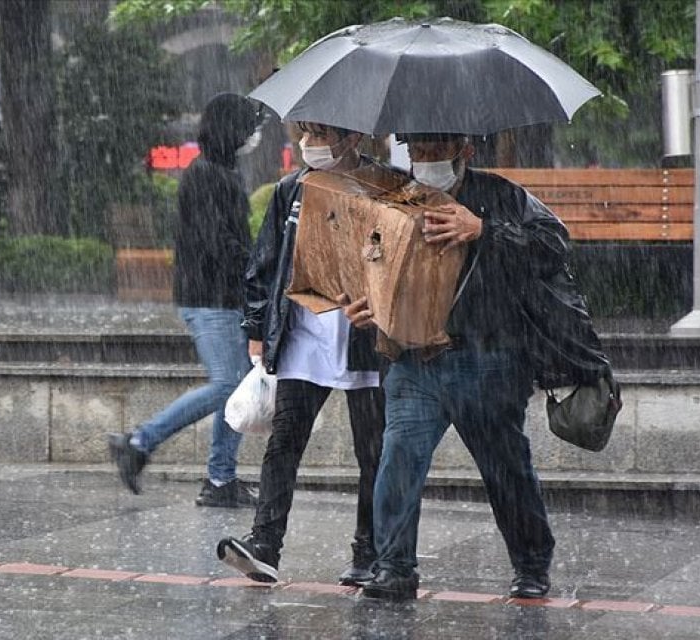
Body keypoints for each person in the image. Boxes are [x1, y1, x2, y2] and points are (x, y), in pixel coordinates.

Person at [346, 131, 564, 601]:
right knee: (398, 459)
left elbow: (553, 246)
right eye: (416, 150)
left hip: (485, 354)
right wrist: (364, 306)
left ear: (464, 149)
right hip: (411, 357)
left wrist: (484, 229)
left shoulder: (501, 195)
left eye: (435, 149)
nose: (424, 160)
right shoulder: (393, 199)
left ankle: (530, 562)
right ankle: (394, 566)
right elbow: (365, 263)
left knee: (504, 464)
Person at [216, 121, 399, 584]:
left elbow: (401, 260)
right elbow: (265, 262)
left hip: (364, 338)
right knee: (284, 443)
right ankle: (264, 544)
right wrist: (257, 328)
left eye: (321, 136)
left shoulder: (386, 188)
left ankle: (368, 551)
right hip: (303, 335)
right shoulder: (289, 191)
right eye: (307, 135)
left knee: (372, 451)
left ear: (352, 139)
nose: (309, 146)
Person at [107, 93, 263, 508]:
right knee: (229, 386)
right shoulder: (206, 174)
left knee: (237, 389)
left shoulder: (223, 172)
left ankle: (220, 480)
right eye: (249, 127)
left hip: (225, 297)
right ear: (233, 130)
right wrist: (255, 265)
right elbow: (218, 241)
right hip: (209, 297)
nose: (254, 136)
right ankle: (139, 441)